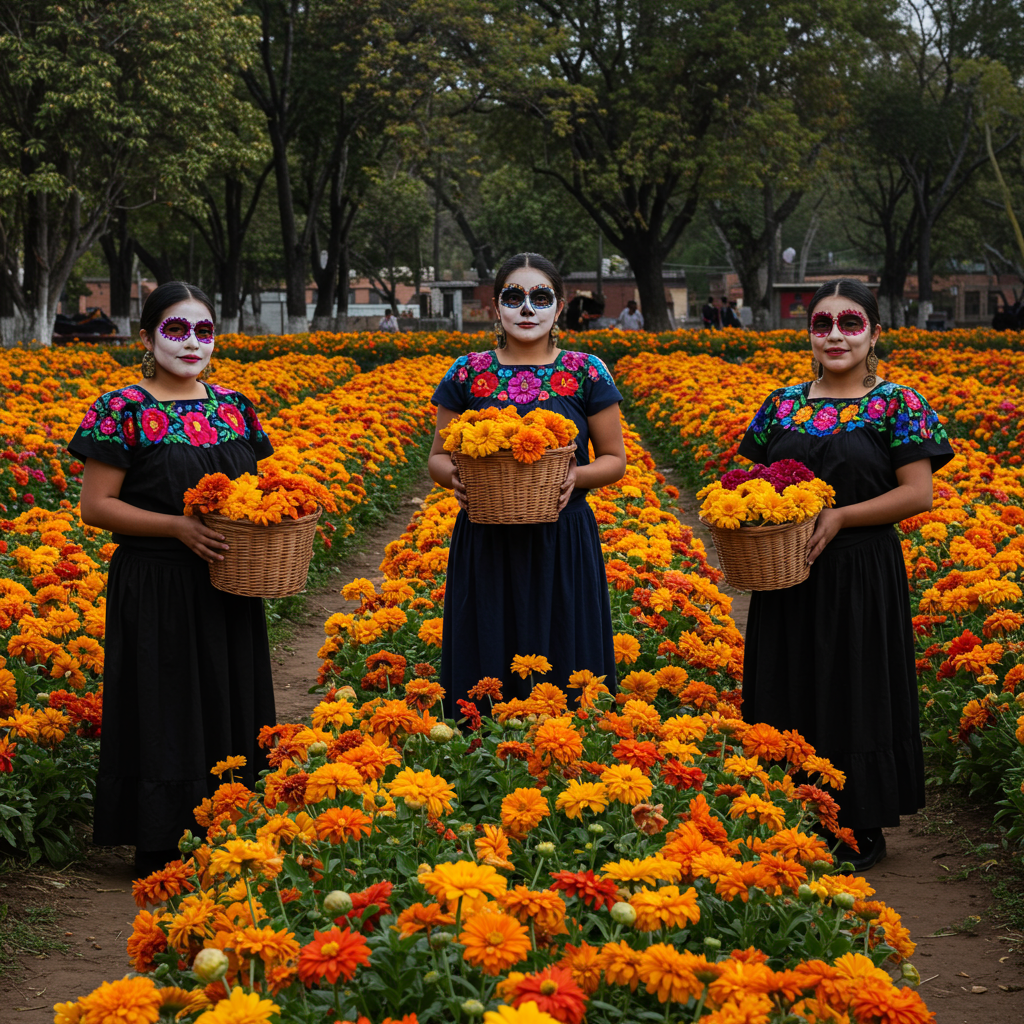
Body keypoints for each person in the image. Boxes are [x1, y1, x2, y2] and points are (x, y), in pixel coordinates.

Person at [737, 279, 954, 871]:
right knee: (788, 681)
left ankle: (858, 821)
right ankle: (785, 813)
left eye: (850, 323)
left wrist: (839, 517)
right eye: (822, 323)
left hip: (861, 571)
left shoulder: (897, 404)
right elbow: (751, 478)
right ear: (808, 334)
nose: (835, 335)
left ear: (875, 333)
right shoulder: (781, 404)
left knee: (855, 687)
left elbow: (917, 494)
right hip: (786, 573)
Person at [69, 281, 277, 877]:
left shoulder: (233, 406)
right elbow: (96, 507)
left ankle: (231, 822)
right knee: (164, 703)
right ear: (147, 337)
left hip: (229, 578)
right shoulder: (123, 408)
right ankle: (160, 837)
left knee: (227, 692)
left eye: (203, 331)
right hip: (156, 580)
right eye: (176, 330)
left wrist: (279, 510)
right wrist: (175, 527)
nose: (192, 344)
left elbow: (252, 488)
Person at [428, 253, 627, 711]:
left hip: (563, 536)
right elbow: (437, 459)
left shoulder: (586, 370)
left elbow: (615, 460)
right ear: (496, 308)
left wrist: (576, 476)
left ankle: (570, 748)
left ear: (559, 309)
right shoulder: (467, 372)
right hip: (486, 536)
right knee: (487, 644)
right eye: (513, 297)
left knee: (564, 644)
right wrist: (456, 479)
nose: (527, 309)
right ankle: (484, 745)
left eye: (540, 297)